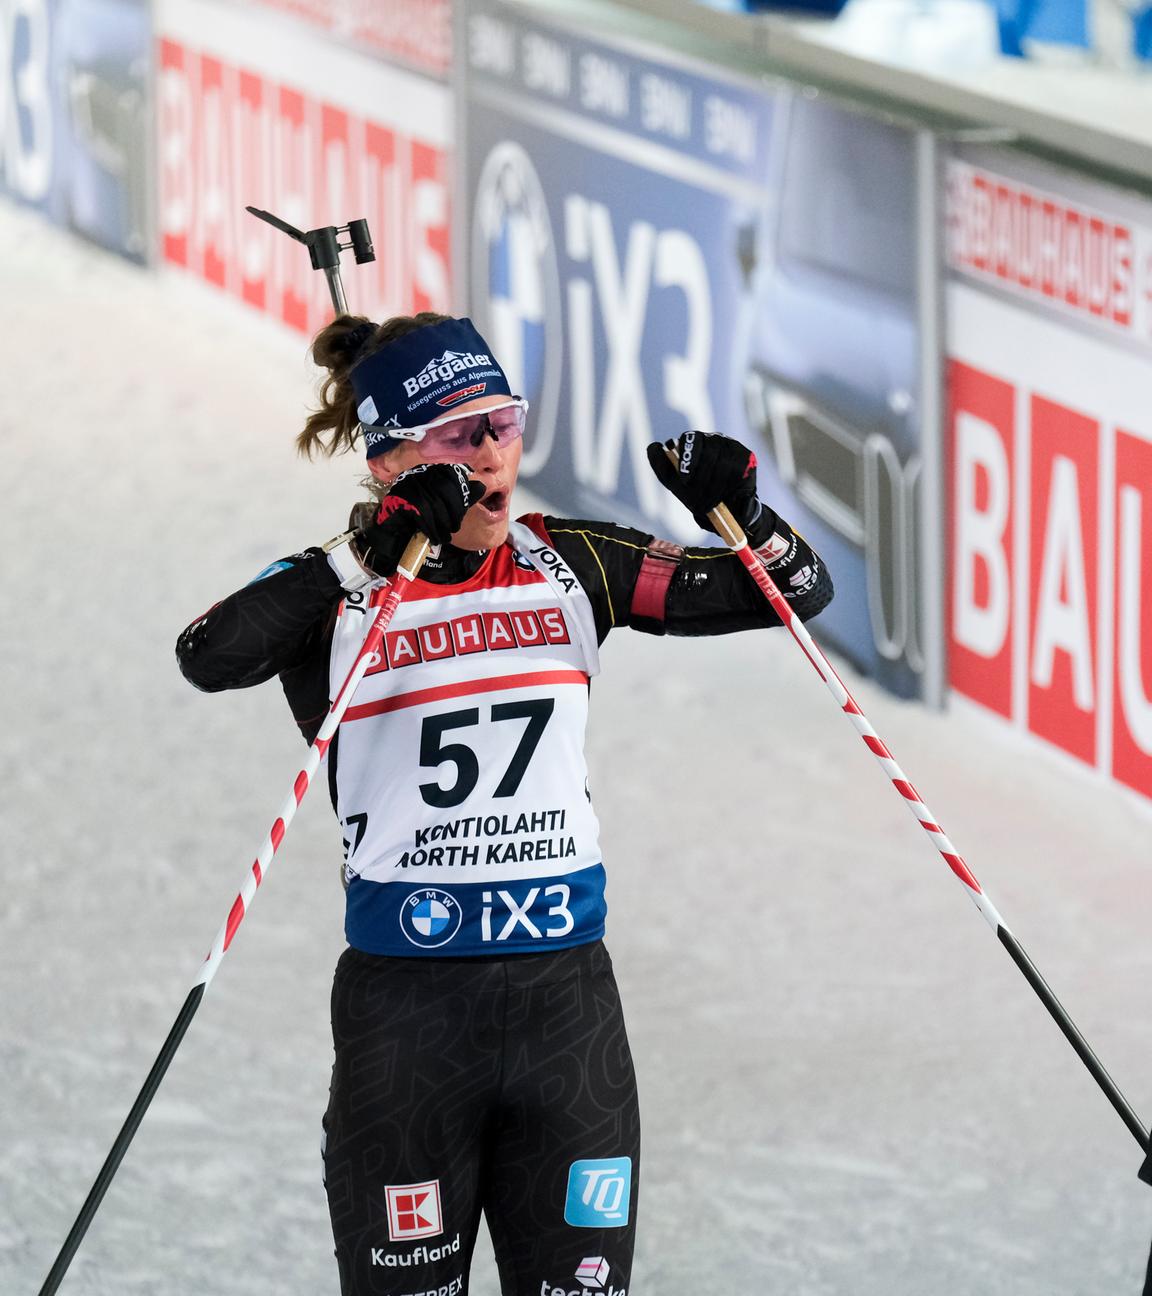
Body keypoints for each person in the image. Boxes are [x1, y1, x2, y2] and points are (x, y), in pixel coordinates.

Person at [176, 311, 833, 1296]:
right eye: (457, 431)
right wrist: (373, 548)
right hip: (409, 1021)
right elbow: (207, 655)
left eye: (504, 422)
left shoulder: (570, 561)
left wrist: (742, 508)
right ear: (391, 455)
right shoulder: (336, 598)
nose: (491, 450)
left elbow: (792, 594)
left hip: (566, 1018)